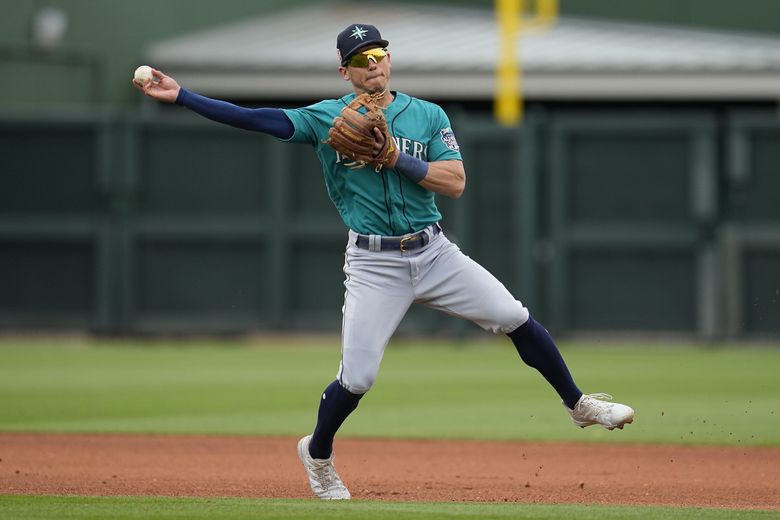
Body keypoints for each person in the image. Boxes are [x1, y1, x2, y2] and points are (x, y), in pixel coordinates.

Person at [134, 23, 635, 501]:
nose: (372, 66)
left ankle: (578, 405)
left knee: (513, 315)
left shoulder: (428, 115)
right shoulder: (326, 118)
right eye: (359, 60)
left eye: (378, 55)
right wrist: (183, 97)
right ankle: (318, 453)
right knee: (358, 378)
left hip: (434, 251)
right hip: (375, 264)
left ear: (389, 59)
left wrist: (397, 159)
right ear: (344, 72)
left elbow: (455, 182)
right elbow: (254, 118)